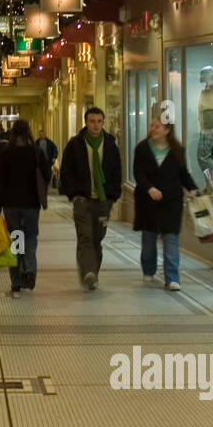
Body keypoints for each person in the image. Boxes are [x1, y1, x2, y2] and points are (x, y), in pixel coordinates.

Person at [59, 106, 122, 291]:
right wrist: (74, 194)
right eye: (92, 121)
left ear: (103, 122)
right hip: (83, 200)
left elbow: (117, 171)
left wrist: (112, 196)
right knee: (85, 237)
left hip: (103, 201)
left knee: (97, 239)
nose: (96, 125)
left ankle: (93, 272)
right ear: (86, 122)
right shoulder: (75, 144)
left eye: (99, 121)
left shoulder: (110, 144)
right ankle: (88, 273)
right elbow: (66, 170)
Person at [133, 117, 198, 291]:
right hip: (148, 201)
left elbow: (183, 173)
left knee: (171, 239)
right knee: (149, 240)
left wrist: (192, 188)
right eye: (152, 125)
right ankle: (148, 269)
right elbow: (138, 173)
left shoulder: (177, 150)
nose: (153, 128)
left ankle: (172, 278)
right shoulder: (142, 148)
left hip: (171, 201)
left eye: (158, 126)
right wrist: (149, 188)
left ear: (167, 130)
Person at [0, 119, 51, 292]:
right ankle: (30, 269)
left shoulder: (6, 153)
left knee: (16, 239)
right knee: (31, 238)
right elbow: (46, 175)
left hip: (11, 205)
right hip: (31, 204)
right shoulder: (36, 152)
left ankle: (16, 280)